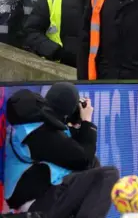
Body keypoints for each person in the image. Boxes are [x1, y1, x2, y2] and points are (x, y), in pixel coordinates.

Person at [4, 84, 119, 217]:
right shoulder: (39, 134)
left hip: (41, 194)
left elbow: (76, 151)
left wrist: (77, 126)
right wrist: (87, 122)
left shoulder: (36, 123)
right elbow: (83, 159)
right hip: (37, 203)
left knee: (93, 165)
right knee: (108, 174)